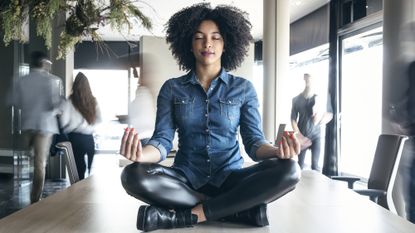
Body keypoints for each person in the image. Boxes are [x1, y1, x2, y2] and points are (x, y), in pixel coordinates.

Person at [119, 3, 301, 232]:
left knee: (290, 170)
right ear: (190, 45)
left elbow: (254, 144)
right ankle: (234, 209)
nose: (208, 44)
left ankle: (187, 217)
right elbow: (163, 141)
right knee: (133, 175)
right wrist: (140, 154)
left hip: (232, 178)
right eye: (199, 38)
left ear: (226, 44)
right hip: (186, 179)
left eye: (216, 37)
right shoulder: (172, 89)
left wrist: (277, 151)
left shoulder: (243, 89)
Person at [10, 51, 63, 203]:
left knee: (31, 158)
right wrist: (58, 110)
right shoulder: (51, 81)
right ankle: (35, 199)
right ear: (45, 63)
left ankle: (26, 187)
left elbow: (16, 102)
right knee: (40, 164)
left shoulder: (21, 80)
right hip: (44, 126)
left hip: (27, 124)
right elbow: (54, 105)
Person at [59, 72, 102, 180]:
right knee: (90, 168)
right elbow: (100, 120)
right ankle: (88, 188)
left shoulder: (70, 101)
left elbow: (63, 122)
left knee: (78, 168)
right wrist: (89, 126)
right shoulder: (93, 101)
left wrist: (71, 126)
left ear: (75, 85)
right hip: (89, 138)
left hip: (75, 137)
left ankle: (79, 190)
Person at [291, 73, 333, 171]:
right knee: (299, 165)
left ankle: (317, 185)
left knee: (315, 166)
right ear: (304, 80)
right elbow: (293, 119)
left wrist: (321, 119)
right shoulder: (296, 99)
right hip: (302, 136)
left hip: (316, 136)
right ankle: (298, 185)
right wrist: (299, 136)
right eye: (306, 79)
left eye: (310, 80)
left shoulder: (319, 98)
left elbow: (330, 114)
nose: (308, 82)